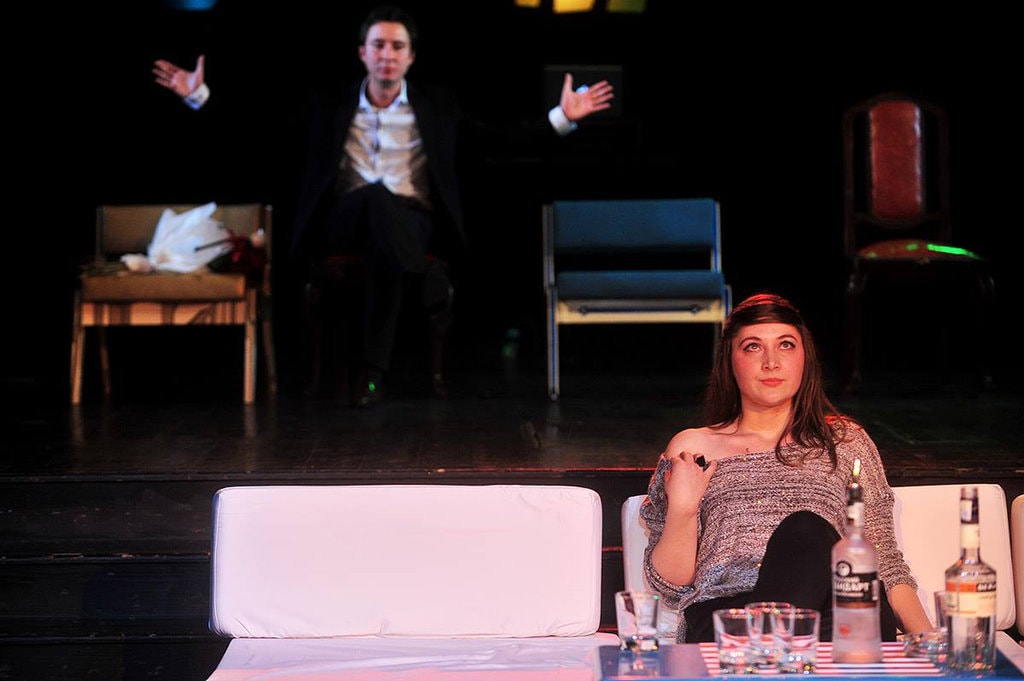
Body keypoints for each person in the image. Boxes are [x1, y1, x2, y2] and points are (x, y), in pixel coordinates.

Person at [153, 5, 614, 407]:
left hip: (411, 221)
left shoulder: (436, 105)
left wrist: (562, 118)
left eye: (397, 46)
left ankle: (370, 373)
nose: (387, 54)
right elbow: (261, 133)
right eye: (378, 45)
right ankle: (416, 281)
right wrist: (199, 95)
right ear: (363, 53)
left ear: (410, 56)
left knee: (387, 228)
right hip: (345, 218)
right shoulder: (330, 104)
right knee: (374, 196)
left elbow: (498, 140)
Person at [640, 292, 935, 643]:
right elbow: (670, 585)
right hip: (730, 618)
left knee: (810, 534)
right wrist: (683, 510)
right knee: (805, 530)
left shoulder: (844, 441)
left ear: (804, 358)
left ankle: (764, 653)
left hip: (838, 616)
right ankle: (765, 647)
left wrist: (931, 645)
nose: (771, 362)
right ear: (730, 361)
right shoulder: (694, 447)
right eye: (753, 347)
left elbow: (884, 561)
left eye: (786, 345)